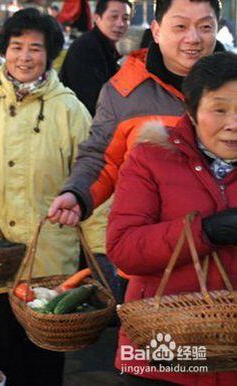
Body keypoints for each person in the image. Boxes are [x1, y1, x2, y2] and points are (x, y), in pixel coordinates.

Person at [0, 9, 108, 385]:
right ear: (3, 51)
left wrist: (103, 253)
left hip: (47, 262)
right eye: (16, 47)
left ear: (50, 54)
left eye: (35, 49)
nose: (24, 57)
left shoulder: (69, 109)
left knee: (42, 361)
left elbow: (94, 180)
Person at [108, 51, 237, 385]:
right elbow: (123, 248)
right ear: (192, 112)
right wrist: (204, 232)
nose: (233, 123)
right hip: (163, 353)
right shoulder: (150, 158)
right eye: (219, 109)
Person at [48, 0, 224, 226]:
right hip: (151, 244)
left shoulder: (232, 87)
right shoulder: (123, 91)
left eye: (205, 27)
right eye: (180, 26)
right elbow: (102, 157)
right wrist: (78, 194)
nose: (193, 38)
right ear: (157, 31)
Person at [59, 0, 133, 116]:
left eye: (125, 18)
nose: (120, 24)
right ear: (97, 18)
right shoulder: (86, 47)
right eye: (114, 17)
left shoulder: (112, 48)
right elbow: (92, 100)